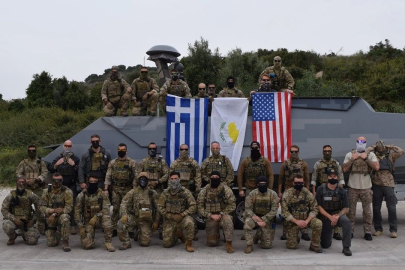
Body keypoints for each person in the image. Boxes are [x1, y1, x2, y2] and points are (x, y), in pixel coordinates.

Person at [342, 136, 379, 241]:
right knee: (351, 212)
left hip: (366, 187)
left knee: (367, 211)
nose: (361, 143)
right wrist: (352, 159)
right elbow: (344, 168)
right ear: (356, 142)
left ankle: (367, 232)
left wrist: (366, 158)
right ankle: (351, 231)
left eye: (363, 141)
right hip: (353, 187)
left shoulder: (370, 154)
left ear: (366, 143)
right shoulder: (350, 154)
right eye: (359, 141)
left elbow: (376, 167)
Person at [367, 140, 404, 238]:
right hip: (376, 184)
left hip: (388, 184)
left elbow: (401, 151)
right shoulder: (373, 156)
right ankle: (378, 229)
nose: (380, 149)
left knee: (391, 208)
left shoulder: (390, 156)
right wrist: (372, 147)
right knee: (376, 208)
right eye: (378, 148)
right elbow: (365, 153)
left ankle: (393, 230)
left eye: (381, 147)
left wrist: (391, 147)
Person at [281, 174, 323, 253]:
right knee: (291, 246)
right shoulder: (287, 194)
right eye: (297, 183)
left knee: (318, 223)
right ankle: (295, 238)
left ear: (303, 183)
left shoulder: (307, 193)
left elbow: (315, 209)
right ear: (293, 183)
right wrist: (296, 221)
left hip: (306, 220)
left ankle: (314, 245)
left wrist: (307, 221)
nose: (299, 185)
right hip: (293, 222)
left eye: (301, 183)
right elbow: (284, 211)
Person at [118, 172, 160, 249]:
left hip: (146, 220)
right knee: (120, 224)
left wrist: (156, 221)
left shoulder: (152, 193)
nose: (143, 181)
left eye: (145, 179)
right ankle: (126, 242)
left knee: (145, 243)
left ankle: (139, 233)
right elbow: (123, 203)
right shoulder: (133, 191)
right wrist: (124, 214)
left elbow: (158, 208)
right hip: (135, 217)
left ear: (148, 181)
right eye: (141, 179)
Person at [157, 171, 197, 252]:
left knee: (189, 222)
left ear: (179, 179)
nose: (173, 181)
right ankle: (178, 234)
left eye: (175, 179)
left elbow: (193, 205)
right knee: (167, 244)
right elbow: (160, 207)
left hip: (182, 218)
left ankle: (188, 243)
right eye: (171, 179)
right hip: (170, 219)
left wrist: (183, 214)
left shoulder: (185, 192)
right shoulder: (165, 193)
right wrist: (169, 215)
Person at [311, 145, 344, 240]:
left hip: (335, 188)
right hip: (322, 188)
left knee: (337, 208)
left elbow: (341, 177)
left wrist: (340, 190)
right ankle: (322, 228)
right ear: (323, 152)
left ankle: (336, 232)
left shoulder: (336, 163)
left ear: (331, 151)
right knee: (321, 209)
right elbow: (314, 177)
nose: (327, 152)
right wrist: (314, 191)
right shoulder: (318, 164)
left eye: (329, 151)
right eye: (325, 151)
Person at [197, 171, 236, 253]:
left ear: (220, 179)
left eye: (216, 177)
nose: (214, 179)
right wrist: (210, 215)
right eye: (213, 177)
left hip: (223, 215)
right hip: (211, 216)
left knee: (228, 220)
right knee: (212, 243)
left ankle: (229, 243)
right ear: (210, 179)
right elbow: (200, 207)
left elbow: (232, 205)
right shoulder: (205, 190)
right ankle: (216, 234)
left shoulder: (226, 189)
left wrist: (221, 214)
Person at [74, 174, 115, 252]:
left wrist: (96, 216)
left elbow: (106, 208)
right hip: (88, 221)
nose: (93, 183)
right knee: (87, 245)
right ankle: (90, 239)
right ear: (88, 182)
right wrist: (80, 227)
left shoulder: (102, 194)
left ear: (98, 183)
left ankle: (108, 242)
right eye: (91, 182)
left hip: (99, 219)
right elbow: (77, 211)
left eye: (95, 182)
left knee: (107, 220)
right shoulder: (82, 195)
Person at [316, 169, 352, 256]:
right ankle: (326, 238)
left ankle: (346, 247)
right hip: (325, 217)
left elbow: (346, 208)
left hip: (337, 216)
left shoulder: (341, 191)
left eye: (334, 176)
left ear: (337, 177)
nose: (332, 178)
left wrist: (337, 216)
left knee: (346, 221)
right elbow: (318, 207)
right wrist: (330, 217)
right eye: (330, 176)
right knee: (325, 245)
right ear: (327, 177)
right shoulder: (321, 189)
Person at [278, 144, 311, 241]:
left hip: (300, 190)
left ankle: (304, 231)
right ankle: (285, 232)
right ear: (289, 152)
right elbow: (280, 179)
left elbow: (307, 178)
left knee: (303, 210)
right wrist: (280, 192)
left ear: (299, 152)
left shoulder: (303, 164)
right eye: (292, 152)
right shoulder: (285, 164)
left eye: (296, 151)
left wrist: (307, 190)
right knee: (286, 211)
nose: (294, 153)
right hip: (288, 190)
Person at [169, 144, 201, 240]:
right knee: (177, 210)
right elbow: (170, 177)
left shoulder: (193, 163)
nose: (184, 151)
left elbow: (198, 176)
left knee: (192, 212)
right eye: (182, 149)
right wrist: (170, 190)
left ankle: (193, 233)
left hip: (190, 191)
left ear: (188, 150)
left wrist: (197, 189)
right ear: (179, 150)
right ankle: (177, 231)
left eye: (186, 149)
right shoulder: (175, 164)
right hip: (178, 191)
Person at [49, 140, 80, 235]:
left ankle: (73, 225)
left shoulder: (75, 158)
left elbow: (80, 171)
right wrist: (56, 164)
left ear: (72, 147)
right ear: (63, 146)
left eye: (69, 146)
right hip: (60, 186)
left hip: (71, 185)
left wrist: (74, 165)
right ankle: (59, 223)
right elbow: (50, 168)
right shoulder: (58, 158)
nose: (67, 147)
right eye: (66, 145)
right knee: (58, 204)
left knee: (73, 204)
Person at [104, 143, 137, 233]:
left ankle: (129, 228)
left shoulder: (132, 162)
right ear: (117, 151)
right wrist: (106, 189)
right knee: (115, 209)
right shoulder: (113, 163)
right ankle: (114, 228)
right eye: (119, 150)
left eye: (123, 150)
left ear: (126, 151)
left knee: (129, 209)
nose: (121, 152)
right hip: (116, 189)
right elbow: (108, 176)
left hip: (128, 189)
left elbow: (135, 177)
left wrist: (134, 189)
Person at [16, 144, 48, 234]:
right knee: (25, 209)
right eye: (30, 150)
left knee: (40, 208)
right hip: (26, 188)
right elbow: (18, 173)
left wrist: (37, 179)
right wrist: (25, 180)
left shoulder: (40, 162)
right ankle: (24, 227)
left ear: (36, 151)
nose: (31, 152)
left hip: (38, 188)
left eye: (33, 150)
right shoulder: (23, 162)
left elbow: (45, 173)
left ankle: (41, 227)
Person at [243, 176, 279, 254]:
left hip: (267, 219)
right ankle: (249, 245)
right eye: (260, 184)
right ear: (257, 185)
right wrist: (257, 219)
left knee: (267, 245)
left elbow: (274, 210)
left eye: (264, 184)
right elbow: (248, 209)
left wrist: (263, 219)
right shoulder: (252, 194)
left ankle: (258, 234)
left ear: (267, 184)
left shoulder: (273, 194)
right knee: (247, 224)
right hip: (254, 217)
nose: (262, 186)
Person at [1, 175, 40, 246]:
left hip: (27, 221)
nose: (21, 184)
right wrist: (14, 218)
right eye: (19, 182)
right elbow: (4, 209)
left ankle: (24, 234)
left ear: (25, 183)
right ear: (16, 182)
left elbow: (39, 207)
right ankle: (12, 237)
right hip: (15, 221)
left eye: (23, 182)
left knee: (33, 241)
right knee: (7, 226)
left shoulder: (30, 194)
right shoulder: (11, 195)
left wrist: (33, 220)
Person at [40, 173, 73, 252]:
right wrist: (50, 211)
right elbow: (41, 206)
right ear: (52, 180)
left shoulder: (67, 191)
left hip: (61, 215)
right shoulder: (46, 191)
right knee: (51, 243)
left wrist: (55, 213)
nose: (57, 182)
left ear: (62, 181)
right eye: (55, 180)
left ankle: (65, 242)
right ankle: (58, 232)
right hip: (50, 216)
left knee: (65, 218)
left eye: (59, 180)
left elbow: (69, 207)